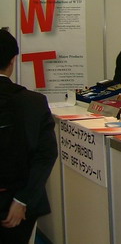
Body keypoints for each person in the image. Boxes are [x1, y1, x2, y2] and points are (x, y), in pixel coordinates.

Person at [0, 30, 58, 244]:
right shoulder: (34, 102)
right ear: (13, 60)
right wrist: (22, 200)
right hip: (19, 203)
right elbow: (46, 155)